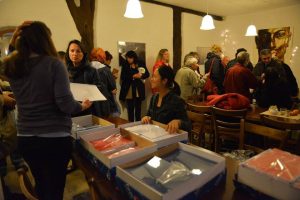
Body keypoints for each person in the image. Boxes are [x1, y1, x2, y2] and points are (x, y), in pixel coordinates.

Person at [3, 21, 92, 200]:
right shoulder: (53, 64)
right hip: (54, 139)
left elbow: (7, 57)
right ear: (45, 40)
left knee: (41, 184)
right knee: (55, 189)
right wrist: (81, 106)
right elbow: (65, 104)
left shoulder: (13, 65)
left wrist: (14, 39)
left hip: (26, 138)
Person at [142, 65, 191, 133]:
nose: (151, 79)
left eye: (154, 76)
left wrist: (178, 122)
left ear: (164, 81)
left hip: (170, 139)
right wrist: (146, 118)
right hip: (155, 136)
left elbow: (188, 125)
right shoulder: (154, 97)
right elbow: (148, 115)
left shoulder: (176, 100)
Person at [65, 39, 101, 117]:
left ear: (83, 54)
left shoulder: (92, 71)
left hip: (87, 111)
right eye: (72, 51)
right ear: (68, 53)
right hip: (69, 112)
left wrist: (90, 97)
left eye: (78, 51)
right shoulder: (63, 71)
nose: (75, 54)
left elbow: (99, 89)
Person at [119, 50, 149, 122]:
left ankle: (138, 123)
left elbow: (147, 74)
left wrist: (141, 75)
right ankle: (131, 124)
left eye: (130, 58)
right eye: (127, 58)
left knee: (138, 108)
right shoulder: (125, 64)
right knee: (130, 109)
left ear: (134, 58)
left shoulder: (140, 63)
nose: (128, 60)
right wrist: (133, 76)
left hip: (138, 89)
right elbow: (123, 77)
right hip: (129, 89)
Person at [89, 48, 118, 117]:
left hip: (90, 103)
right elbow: (113, 87)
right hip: (104, 102)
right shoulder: (105, 69)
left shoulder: (86, 68)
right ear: (101, 57)